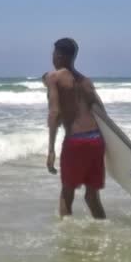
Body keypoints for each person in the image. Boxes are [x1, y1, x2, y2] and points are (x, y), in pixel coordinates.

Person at [45, 37, 106, 219]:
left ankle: (66, 241)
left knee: (67, 194)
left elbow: (54, 112)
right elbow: (101, 111)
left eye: (54, 53)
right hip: (96, 140)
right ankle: (103, 234)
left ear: (60, 56)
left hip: (76, 141)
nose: (52, 57)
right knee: (92, 197)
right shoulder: (86, 81)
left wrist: (51, 149)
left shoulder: (53, 77)